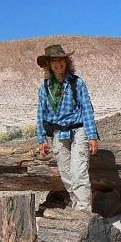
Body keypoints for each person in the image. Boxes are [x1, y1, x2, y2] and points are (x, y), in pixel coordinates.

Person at [35, 44, 99, 212]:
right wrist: (41, 139)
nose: (58, 64)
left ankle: (84, 213)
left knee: (79, 173)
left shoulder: (77, 83)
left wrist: (92, 136)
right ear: (48, 65)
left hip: (78, 131)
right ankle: (77, 206)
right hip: (58, 133)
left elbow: (86, 108)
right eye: (54, 61)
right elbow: (41, 112)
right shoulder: (45, 87)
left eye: (60, 60)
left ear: (66, 61)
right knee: (66, 175)